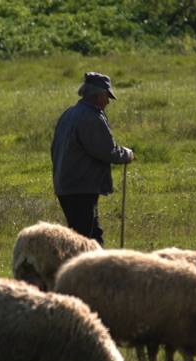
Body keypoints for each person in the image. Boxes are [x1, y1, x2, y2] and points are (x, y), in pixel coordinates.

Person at [50, 72, 134, 246]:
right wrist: (126, 154)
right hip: (81, 187)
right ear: (97, 95)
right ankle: (84, 271)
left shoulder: (70, 113)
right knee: (86, 239)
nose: (108, 102)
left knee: (88, 234)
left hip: (66, 185)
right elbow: (106, 151)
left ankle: (89, 269)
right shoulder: (91, 118)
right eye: (107, 96)